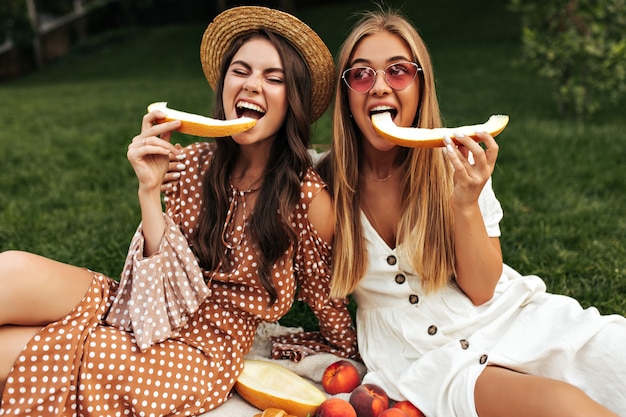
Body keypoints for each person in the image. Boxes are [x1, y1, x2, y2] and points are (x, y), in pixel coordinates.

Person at [0, 6, 357, 416]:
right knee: (11, 269)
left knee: (9, 350)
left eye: (273, 78)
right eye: (240, 71)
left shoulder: (308, 200)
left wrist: (349, 358)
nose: (252, 85)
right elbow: (155, 285)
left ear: (293, 99)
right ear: (224, 86)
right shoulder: (189, 164)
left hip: (198, 354)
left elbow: (325, 295)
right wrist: (149, 193)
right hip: (152, 307)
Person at [279, 7, 626, 417]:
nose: (379, 87)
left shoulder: (455, 165)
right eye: (361, 74)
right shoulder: (320, 183)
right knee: (564, 408)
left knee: (614, 360)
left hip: (508, 317)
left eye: (398, 72)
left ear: (420, 86)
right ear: (346, 93)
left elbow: (481, 289)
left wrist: (465, 203)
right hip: (425, 357)